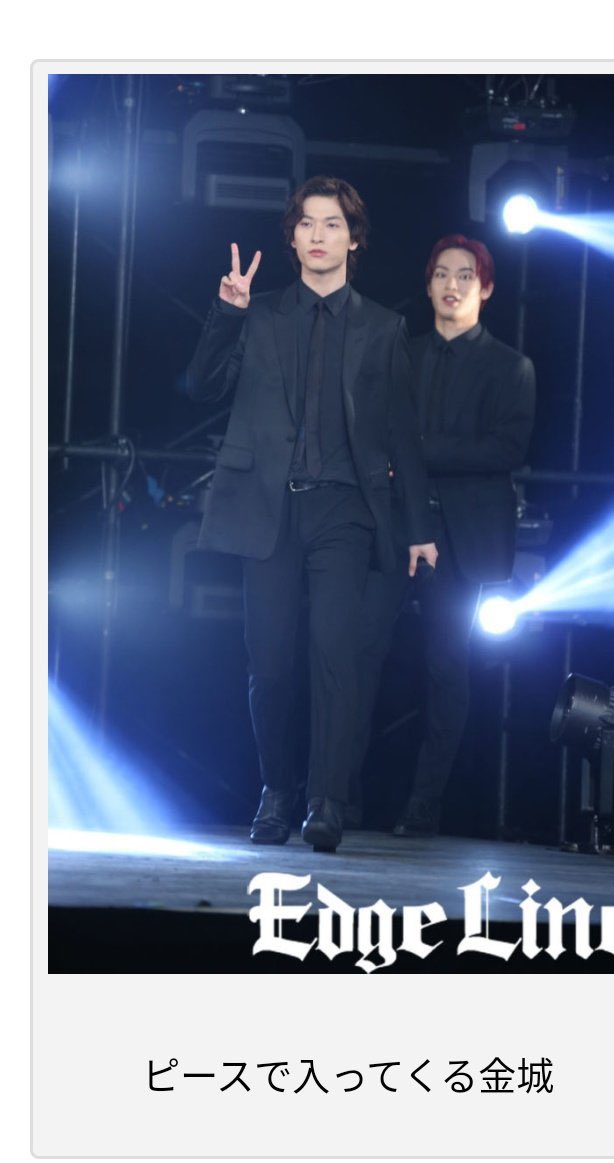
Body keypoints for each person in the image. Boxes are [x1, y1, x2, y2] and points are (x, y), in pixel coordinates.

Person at [183, 176, 437, 853]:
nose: (318, 234)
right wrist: (227, 312)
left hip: (344, 510)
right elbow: (200, 387)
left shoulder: (383, 327)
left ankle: (326, 799)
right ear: (291, 237)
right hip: (267, 507)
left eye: (332, 224)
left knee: (335, 655)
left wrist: (418, 528)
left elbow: (402, 434)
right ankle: (276, 790)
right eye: (307, 223)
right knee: (269, 662)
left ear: (354, 239)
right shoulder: (260, 313)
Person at [352, 233, 536, 837]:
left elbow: (506, 449)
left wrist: (418, 452)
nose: (451, 285)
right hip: (392, 527)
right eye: (440, 274)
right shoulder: (399, 354)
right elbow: (372, 435)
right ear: (428, 285)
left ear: (486, 288)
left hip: (460, 539)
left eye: (464, 275)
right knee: (357, 656)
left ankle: (424, 806)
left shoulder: (510, 367)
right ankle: (339, 795)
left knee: (445, 669)